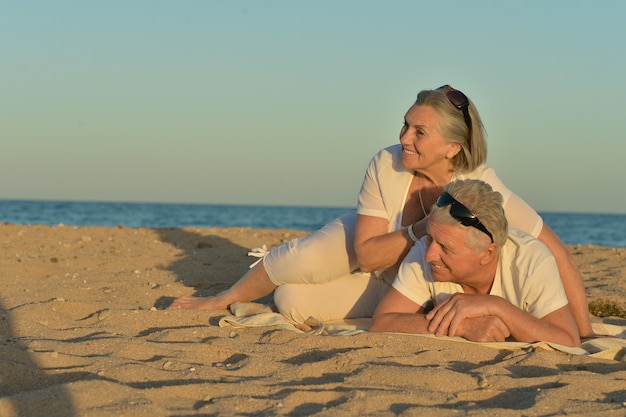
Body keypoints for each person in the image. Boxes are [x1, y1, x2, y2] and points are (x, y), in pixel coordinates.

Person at [170, 84, 594, 338]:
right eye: (406, 124)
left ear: (452, 147)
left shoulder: (481, 185)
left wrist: (586, 333)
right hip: (375, 245)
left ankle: (409, 308)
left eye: (419, 131)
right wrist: (423, 227)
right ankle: (225, 295)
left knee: (292, 301)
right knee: (306, 258)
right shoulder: (386, 164)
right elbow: (370, 255)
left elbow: (556, 252)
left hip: (408, 274)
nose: (404, 136)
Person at [369, 179, 580, 347]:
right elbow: (382, 322)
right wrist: (462, 326)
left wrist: (497, 306)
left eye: (445, 247)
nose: (429, 254)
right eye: (430, 238)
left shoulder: (531, 260)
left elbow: (568, 340)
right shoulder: (426, 248)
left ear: (487, 253)